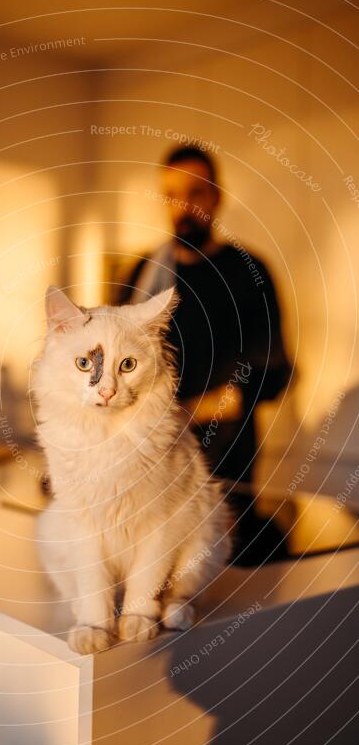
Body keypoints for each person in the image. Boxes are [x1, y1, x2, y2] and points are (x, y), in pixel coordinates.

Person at [117, 145, 292, 563]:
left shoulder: (249, 273)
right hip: (146, 465)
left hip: (222, 466)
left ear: (217, 197)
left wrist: (188, 412)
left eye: (196, 193)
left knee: (210, 582)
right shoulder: (141, 273)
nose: (183, 206)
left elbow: (268, 372)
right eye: (172, 194)